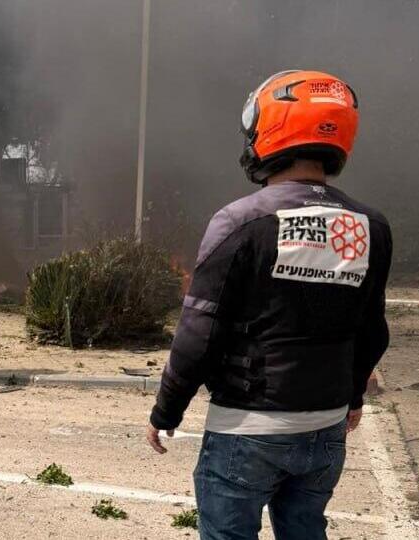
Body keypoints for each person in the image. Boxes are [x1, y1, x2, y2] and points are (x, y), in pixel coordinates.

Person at [146, 70, 392, 540]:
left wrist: (166, 411)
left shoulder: (240, 221)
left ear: (271, 128)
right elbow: (372, 329)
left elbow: (199, 334)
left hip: (248, 427)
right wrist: (354, 397)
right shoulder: (371, 226)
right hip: (326, 429)